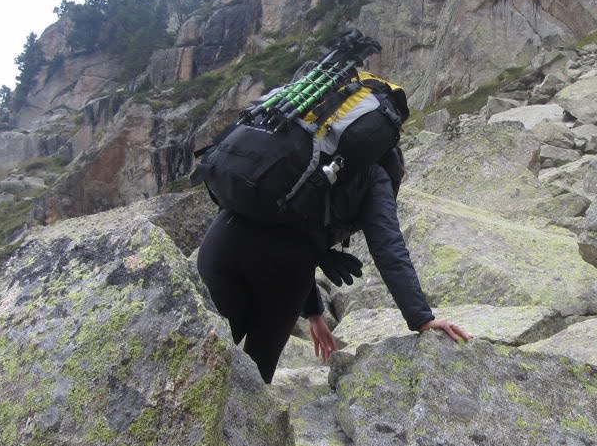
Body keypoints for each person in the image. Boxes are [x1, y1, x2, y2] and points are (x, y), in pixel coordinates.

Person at [196, 142, 470, 384]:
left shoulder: (303, 154)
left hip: (222, 239)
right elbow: (388, 247)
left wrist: (315, 313)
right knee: (251, 379)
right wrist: (422, 318)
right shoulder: (375, 175)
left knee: (199, 360)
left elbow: (285, 219)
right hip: (281, 269)